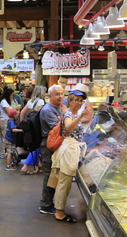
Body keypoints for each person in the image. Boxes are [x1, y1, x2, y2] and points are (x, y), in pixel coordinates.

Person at [50, 88, 94, 223]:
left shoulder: (73, 113)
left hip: (72, 150)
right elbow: (68, 127)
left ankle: (59, 209)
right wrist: (80, 116)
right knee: (64, 182)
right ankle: (59, 212)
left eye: (81, 101)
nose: (79, 103)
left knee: (65, 182)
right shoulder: (69, 114)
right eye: (76, 100)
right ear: (69, 101)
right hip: (68, 151)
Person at [38, 85, 66, 215]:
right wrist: (64, 116)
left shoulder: (59, 108)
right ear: (50, 96)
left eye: (62, 93)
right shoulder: (48, 110)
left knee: (53, 175)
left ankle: (49, 203)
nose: (60, 96)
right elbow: (60, 129)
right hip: (49, 147)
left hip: (56, 146)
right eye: (57, 94)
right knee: (49, 175)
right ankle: (46, 205)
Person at [0, 88, 15, 159]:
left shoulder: (5, 102)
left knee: (4, 136)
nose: (12, 97)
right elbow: (9, 112)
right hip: (4, 120)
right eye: (12, 95)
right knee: (5, 137)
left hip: (5, 120)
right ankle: (2, 153)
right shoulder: (4, 102)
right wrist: (15, 110)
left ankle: (3, 152)